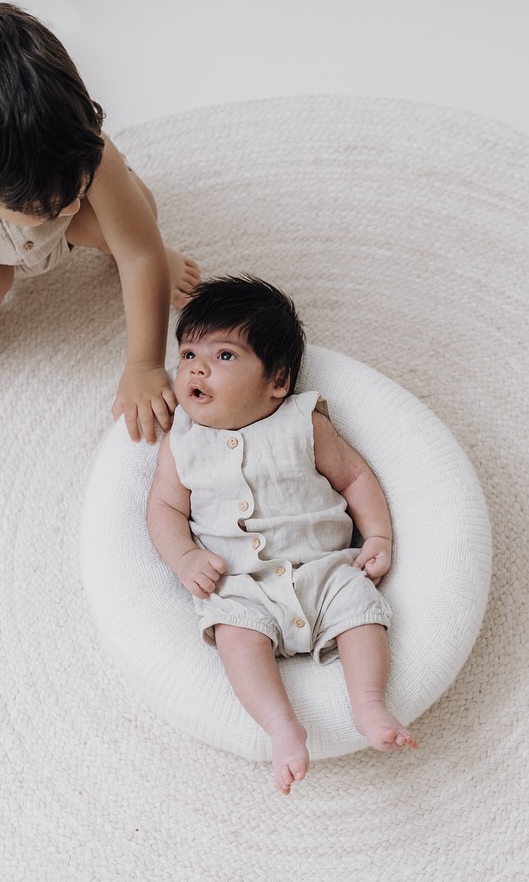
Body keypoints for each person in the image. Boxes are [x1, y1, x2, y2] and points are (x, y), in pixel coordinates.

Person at [0, 1, 199, 442]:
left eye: (75, 188)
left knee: (139, 220)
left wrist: (144, 364)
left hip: (68, 238)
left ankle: (136, 249)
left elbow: (139, 251)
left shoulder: (78, 145)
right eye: (46, 204)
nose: (68, 207)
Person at [146, 276, 417, 795]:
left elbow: (355, 477)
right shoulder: (182, 441)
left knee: (361, 614)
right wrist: (184, 558)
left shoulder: (302, 421)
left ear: (277, 380)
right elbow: (162, 508)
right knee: (234, 635)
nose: (197, 368)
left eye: (224, 355)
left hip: (325, 569)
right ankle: (281, 727)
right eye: (187, 354)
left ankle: (369, 705)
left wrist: (377, 536)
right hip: (241, 583)